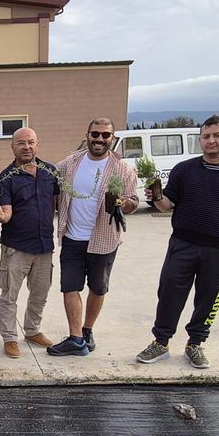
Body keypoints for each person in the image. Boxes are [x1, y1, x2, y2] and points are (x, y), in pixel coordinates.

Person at [136, 115, 219, 369]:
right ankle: (160, 343)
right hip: (182, 243)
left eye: (217, 135)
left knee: (208, 297)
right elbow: (167, 205)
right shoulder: (185, 169)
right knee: (170, 292)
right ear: (200, 140)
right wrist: (155, 194)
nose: (211, 141)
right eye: (206, 136)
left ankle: (195, 344)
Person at [48, 117, 139, 357]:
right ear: (87, 135)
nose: (99, 139)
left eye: (105, 135)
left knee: (98, 288)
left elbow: (133, 202)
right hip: (72, 237)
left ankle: (87, 330)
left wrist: (122, 202)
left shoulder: (122, 169)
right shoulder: (71, 163)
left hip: (104, 238)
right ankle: (76, 338)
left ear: (112, 138)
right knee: (69, 287)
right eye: (95, 134)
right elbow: (48, 178)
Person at [0, 128, 59, 358]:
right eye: (21, 143)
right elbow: (7, 212)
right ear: (12, 146)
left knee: (40, 293)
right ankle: (9, 337)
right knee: (9, 295)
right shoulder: (5, 178)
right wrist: (1, 216)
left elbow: (60, 202)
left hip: (44, 246)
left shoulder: (50, 172)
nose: (26, 147)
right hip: (16, 247)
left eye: (30, 142)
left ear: (37, 144)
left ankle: (32, 330)